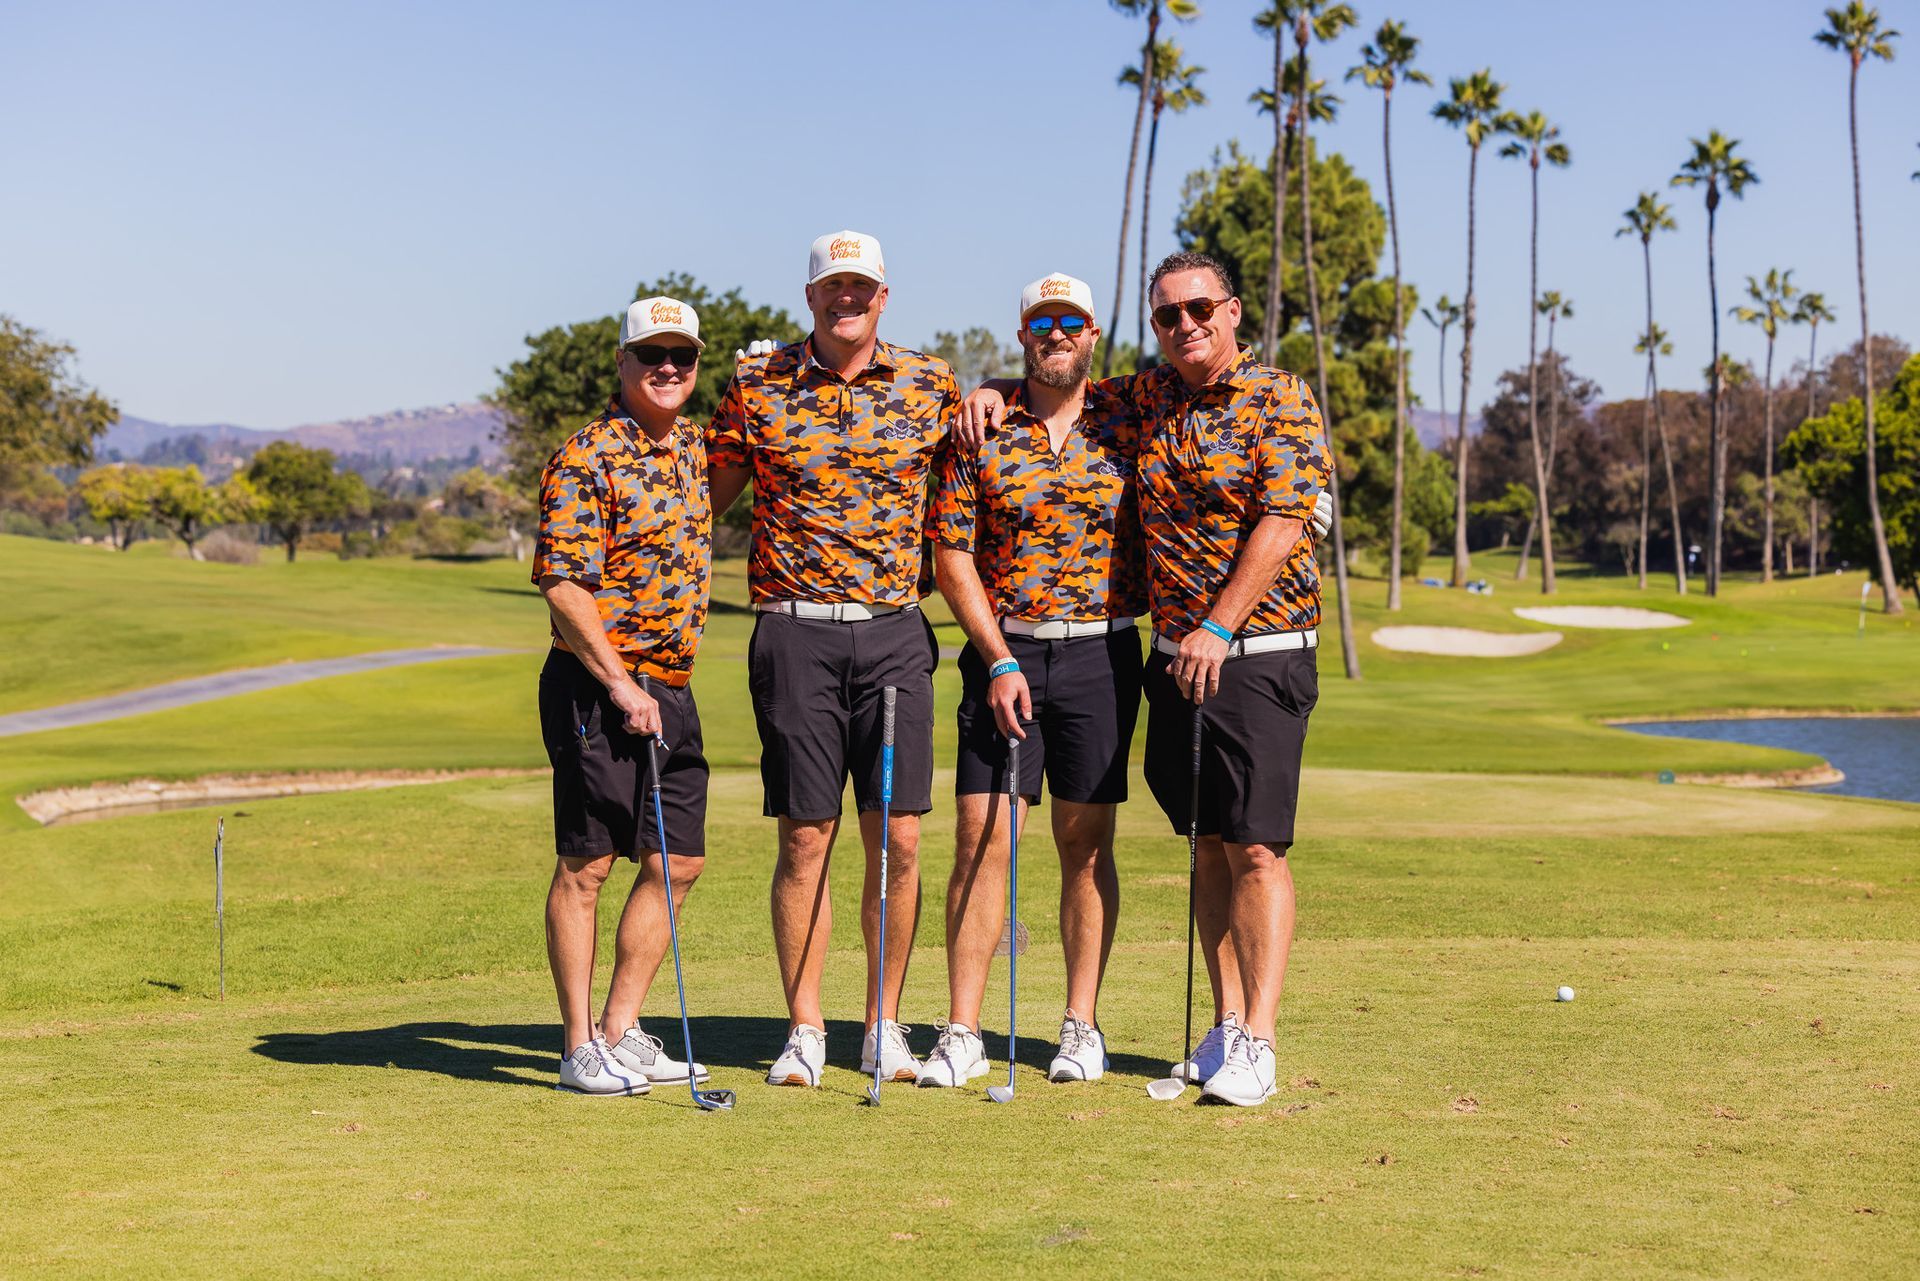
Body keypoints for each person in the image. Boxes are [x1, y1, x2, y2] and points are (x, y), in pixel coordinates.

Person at [963, 251, 1330, 1107]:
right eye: (1167, 315)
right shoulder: (1148, 395)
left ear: (1233, 312)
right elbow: (1055, 382)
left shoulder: (1279, 397)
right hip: (1173, 662)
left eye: (1200, 308)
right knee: (1205, 841)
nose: (1185, 325)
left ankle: (1260, 1041)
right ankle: (1226, 1023)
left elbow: (1281, 521)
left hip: (1260, 651)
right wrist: (987, 388)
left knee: (1257, 847)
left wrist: (1217, 624)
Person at [707, 230, 958, 1087]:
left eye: (862, 287)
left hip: (893, 630)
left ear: (883, 297)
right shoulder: (755, 384)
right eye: (831, 287)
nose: (846, 299)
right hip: (794, 632)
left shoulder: (932, 383)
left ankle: (882, 1023)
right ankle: (806, 1027)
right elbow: (699, 493)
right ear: (809, 297)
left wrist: (997, 392)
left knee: (899, 837)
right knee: (805, 836)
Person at [920, 273, 1142, 1088]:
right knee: (982, 841)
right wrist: (1000, 657)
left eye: (1070, 322)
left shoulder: (1131, 414)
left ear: (1091, 335)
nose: (1056, 334)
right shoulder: (980, 427)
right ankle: (963, 1028)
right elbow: (951, 554)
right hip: (1001, 653)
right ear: (1023, 335)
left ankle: (1081, 1025)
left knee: (1085, 847)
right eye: (1040, 322)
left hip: (1101, 654)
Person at [534, 295, 716, 1095]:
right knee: (588, 863)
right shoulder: (586, 455)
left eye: (681, 355)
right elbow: (565, 588)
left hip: (671, 685)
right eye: (652, 355)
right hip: (597, 683)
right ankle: (579, 1047)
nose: (667, 368)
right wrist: (616, 681)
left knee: (679, 860)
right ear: (623, 362)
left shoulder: (697, 450)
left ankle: (622, 1030)